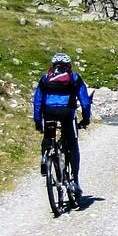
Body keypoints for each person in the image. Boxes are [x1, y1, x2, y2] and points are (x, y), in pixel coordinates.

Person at [33, 52, 92, 197]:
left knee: (48, 136)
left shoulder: (45, 78)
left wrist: (37, 120)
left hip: (48, 112)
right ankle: (75, 181)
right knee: (72, 144)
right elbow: (85, 101)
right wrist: (85, 118)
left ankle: (45, 158)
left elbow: (37, 101)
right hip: (67, 112)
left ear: (53, 66)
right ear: (69, 65)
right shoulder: (74, 77)